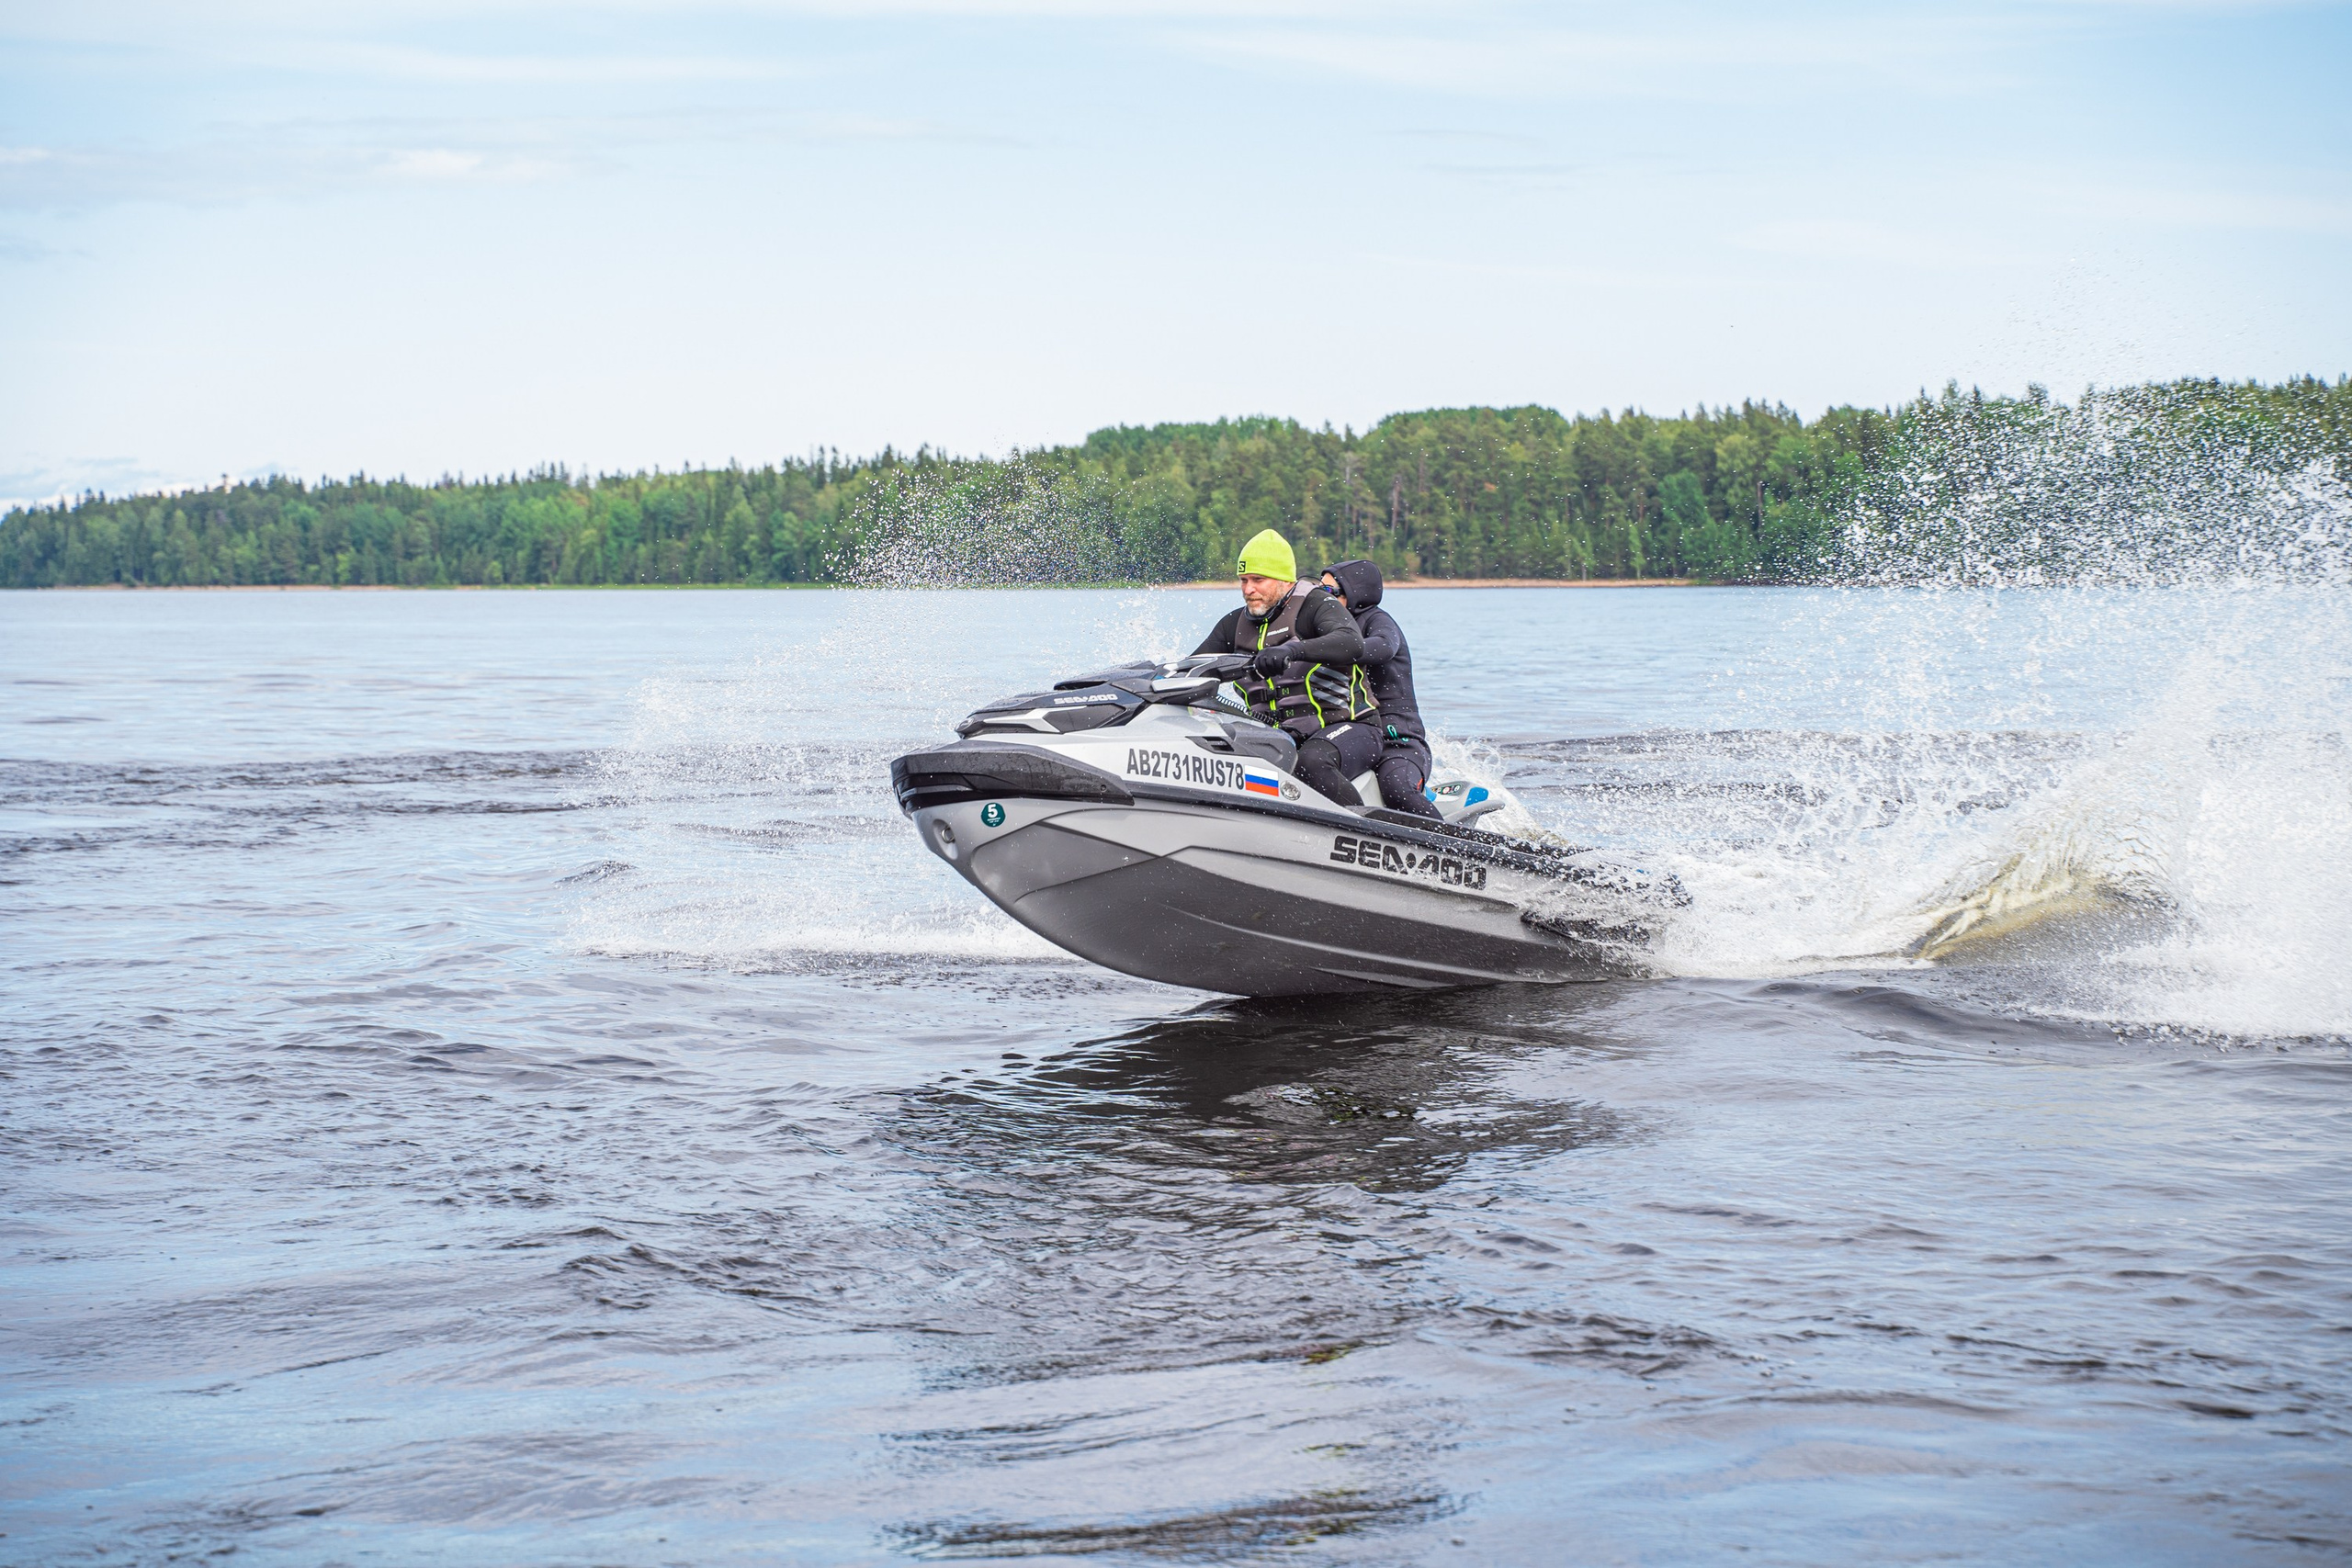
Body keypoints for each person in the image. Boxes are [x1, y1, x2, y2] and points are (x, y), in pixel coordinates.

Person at [1193, 529, 1382, 807]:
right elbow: (1195, 667)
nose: (1248, 590)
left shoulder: (1317, 605)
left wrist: (1291, 649)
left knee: (1311, 762)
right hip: (1281, 735)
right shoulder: (1232, 625)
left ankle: (1361, 831)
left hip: (1349, 727)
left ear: (1283, 580)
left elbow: (1351, 643)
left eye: (1258, 580)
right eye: (1243, 580)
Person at [1320, 558, 1443, 820]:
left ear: (1356, 594)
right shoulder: (1326, 625)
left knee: (1397, 789)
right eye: (1320, 591)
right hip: (1353, 734)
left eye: (1331, 592)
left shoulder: (1378, 621)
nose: (1323, 598)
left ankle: (1454, 851)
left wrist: (1337, 649)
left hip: (1397, 740)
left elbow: (1384, 646)